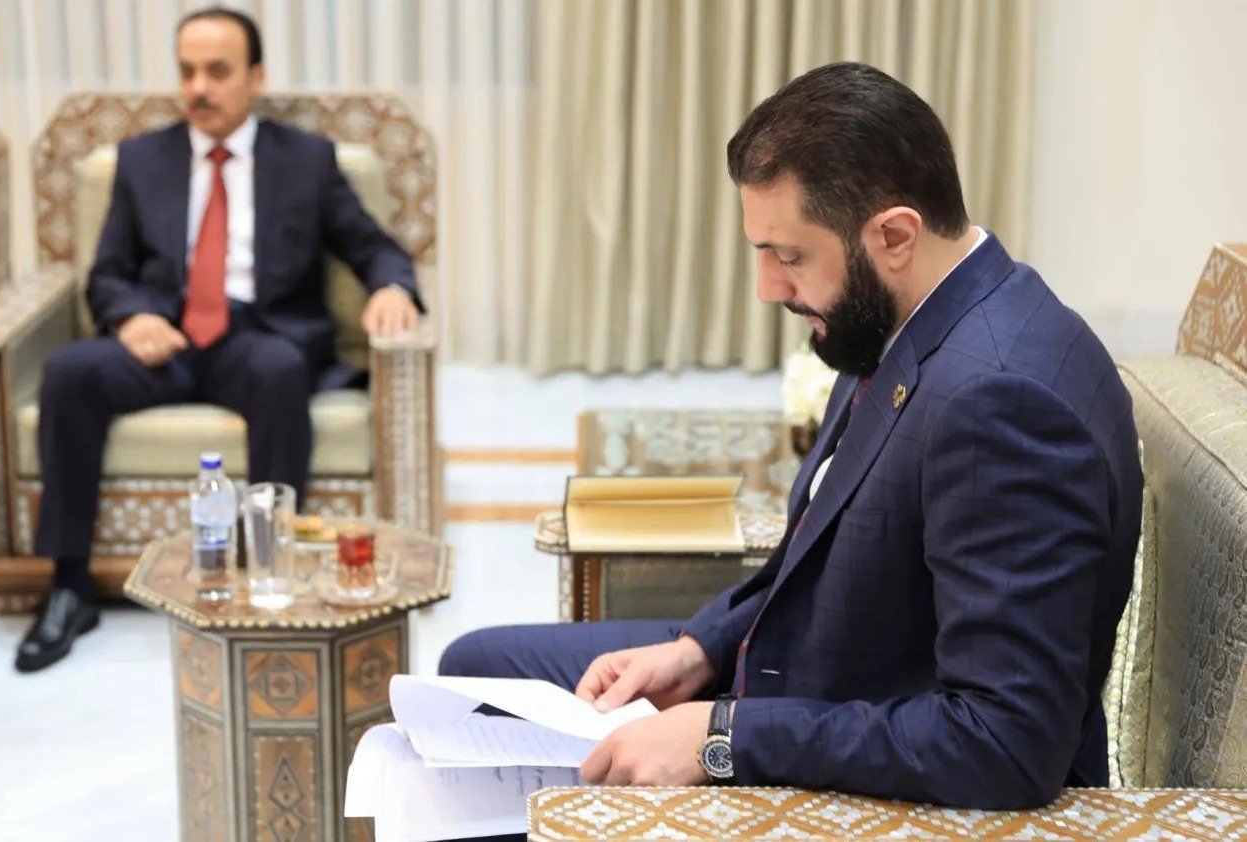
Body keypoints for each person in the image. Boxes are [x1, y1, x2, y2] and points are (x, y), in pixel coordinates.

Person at [440, 61, 1142, 815]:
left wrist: (720, 739)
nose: (769, 288)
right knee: (473, 673)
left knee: (494, 786)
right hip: (796, 672)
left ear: (895, 235)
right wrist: (697, 651)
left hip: (852, 752)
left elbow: (1003, 743)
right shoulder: (901, 316)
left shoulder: (999, 403)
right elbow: (816, 559)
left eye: (790, 256)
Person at [17, 7, 422, 674]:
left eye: (217, 71)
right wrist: (130, 317)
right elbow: (108, 273)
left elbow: (372, 245)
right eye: (187, 72)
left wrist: (392, 288)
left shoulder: (307, 161)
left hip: (256, 338)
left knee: (281, 370)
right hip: (165, 340)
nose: (199, 87)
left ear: (255, 77)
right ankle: (68, 585)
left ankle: (265, 571)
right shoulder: (142, 160)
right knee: (69, 373)